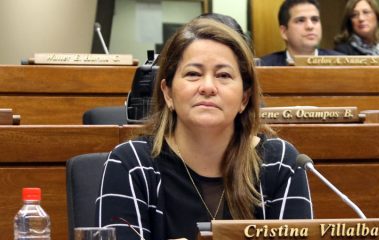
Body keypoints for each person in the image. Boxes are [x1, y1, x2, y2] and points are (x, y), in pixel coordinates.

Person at [95, 18, 312, 240]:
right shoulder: (131, 165)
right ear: (168, 93)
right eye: (193, 74)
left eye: (223, 75)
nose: (208, 87)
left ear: (244, 98)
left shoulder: (281, 163)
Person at [260, 0, 340, 66]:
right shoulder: (262, 67)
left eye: (314, 19)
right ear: (284, 32)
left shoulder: (342, 63)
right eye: (301, 20)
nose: (310, 26)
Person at [334, 0, 379, 65]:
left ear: (377, 17)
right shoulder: (342, 51)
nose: (361, 18)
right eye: (354, 15)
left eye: (366, 12)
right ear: (350, 22)